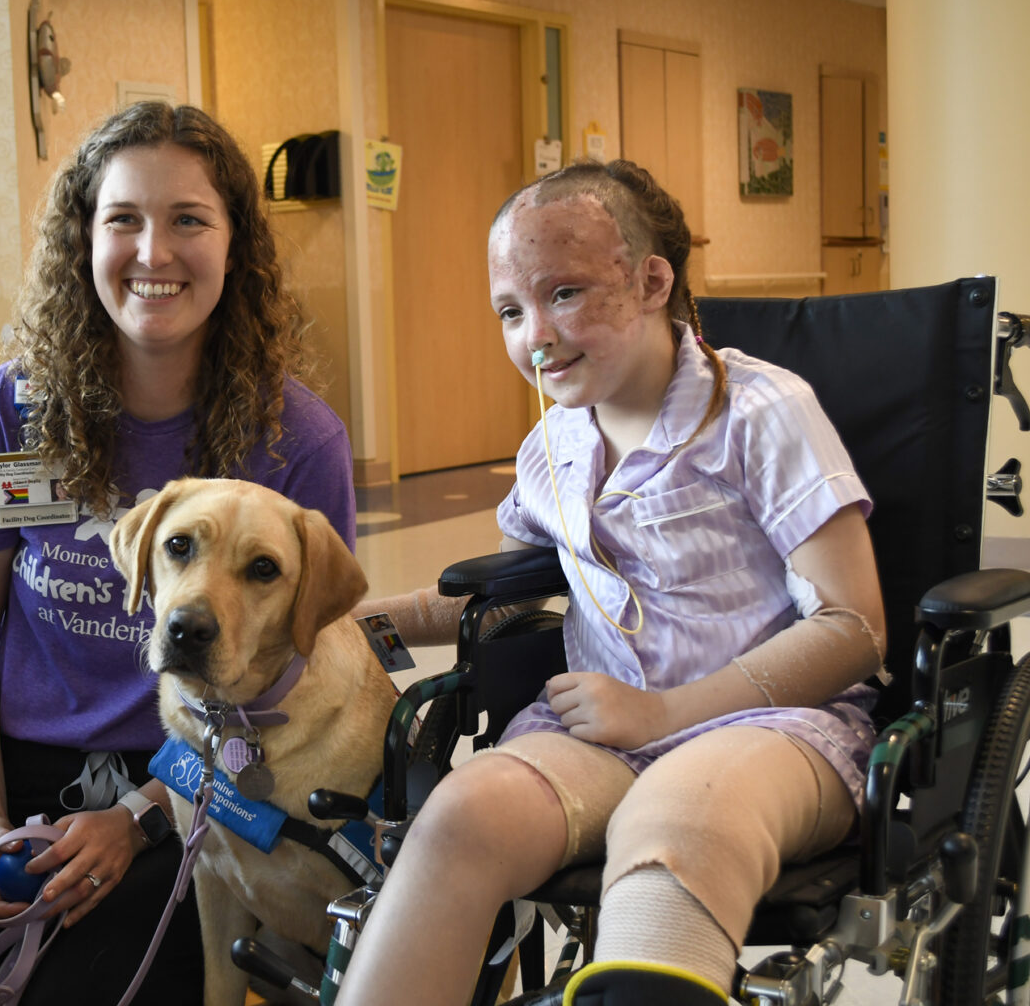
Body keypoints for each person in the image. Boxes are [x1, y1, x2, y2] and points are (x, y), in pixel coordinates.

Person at [0, 101, 356, 1006]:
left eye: (189, 219)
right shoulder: (8, 412)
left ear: (236, 245)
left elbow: (295, 682)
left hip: (189, 777)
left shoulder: (298, 440)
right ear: (85, 239)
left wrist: (138, 817)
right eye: (123, 219)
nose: (153, 252)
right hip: (10, 762)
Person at [336, 159, 885, 1005]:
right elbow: (503, 591)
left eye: (564, 294)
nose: (535, 337)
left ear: (652, 279)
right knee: (455, 821)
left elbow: (854, 626)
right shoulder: (552, 444)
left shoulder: (761, 412)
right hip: (599, 729)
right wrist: (352, 624)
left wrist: (665, 713)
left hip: (776, 725)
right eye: (510, 312)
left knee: (677, 824)